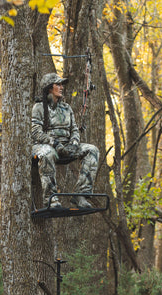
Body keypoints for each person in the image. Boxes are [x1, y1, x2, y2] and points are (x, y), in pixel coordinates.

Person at [31, 73, 99, 208]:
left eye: (62, 85)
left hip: (66, 147)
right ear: (49, 88)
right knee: (47, 153)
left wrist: (74, 144)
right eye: (58, 84)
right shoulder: (39, 107)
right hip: (46, 146)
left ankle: (80, 195)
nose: (62, 87)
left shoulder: (66, 108)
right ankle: (51, 199)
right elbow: (35, 132)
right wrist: (54, 143)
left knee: (92, 150)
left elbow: (74, 129)